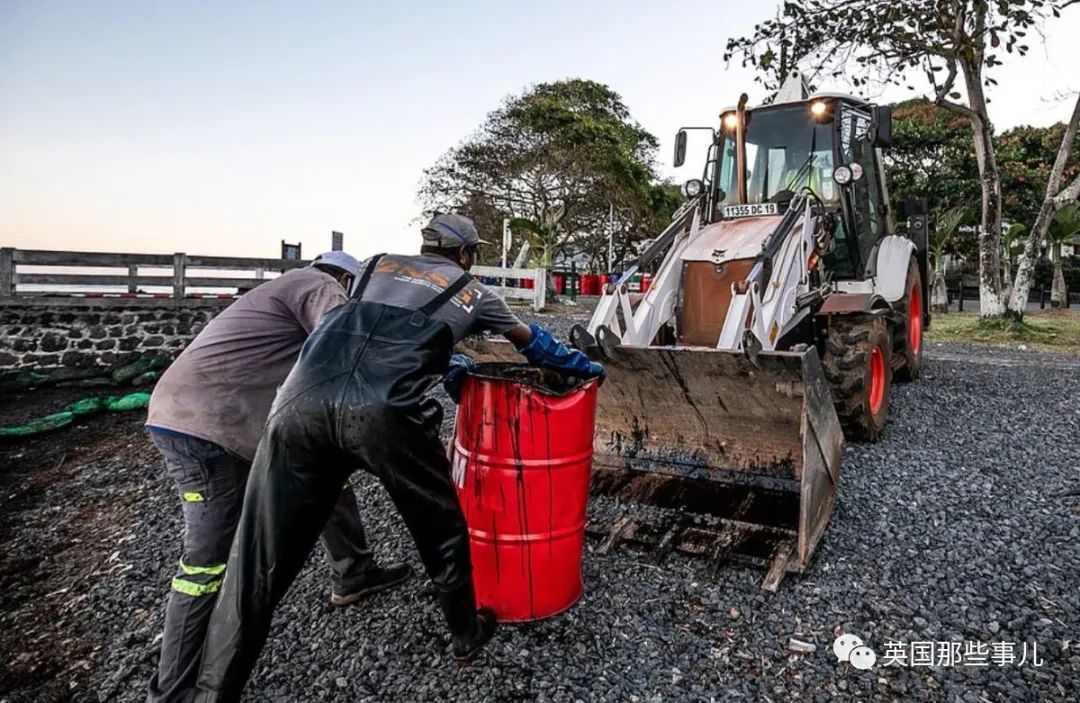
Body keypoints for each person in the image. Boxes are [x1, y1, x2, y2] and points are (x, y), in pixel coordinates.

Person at [190, 214, 603, 701]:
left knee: (259, 556)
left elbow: (364, 338)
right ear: (466, 254)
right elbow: (534, 345)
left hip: (300, 402)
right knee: (441, 524)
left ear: (425, 244)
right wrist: (586, 366)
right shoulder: (473, 292)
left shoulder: (371, 268)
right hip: (385, 413)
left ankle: (211, 690)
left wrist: (449, 361)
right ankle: (465, 633)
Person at [144, 252, 412, 703]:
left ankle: (354, 571)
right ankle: (172, 692)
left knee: (326, 470)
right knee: (205, 565)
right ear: (346, 278)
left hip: (199, 416)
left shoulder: (278, 292)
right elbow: (348, 351)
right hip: (208, 430)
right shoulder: (320, 286)